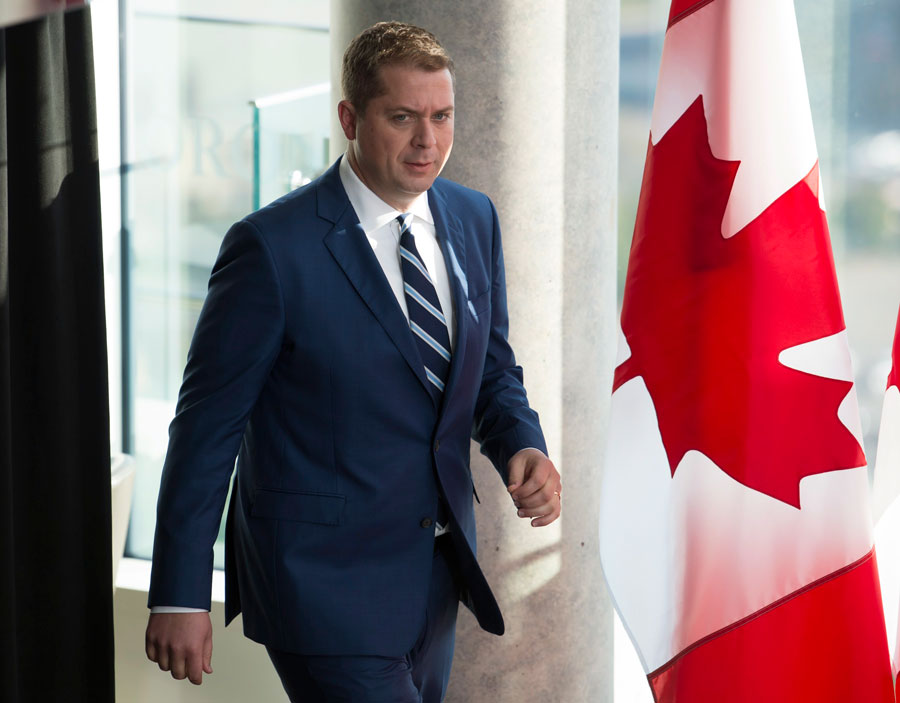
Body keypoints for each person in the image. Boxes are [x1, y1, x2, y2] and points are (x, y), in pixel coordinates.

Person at [144, 21, 561, 703]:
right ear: (350, 117)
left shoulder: (473, 217)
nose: (428, 140)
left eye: (442, 116)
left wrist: (521, 441)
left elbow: (490, 370)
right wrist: (178, 593)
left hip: (433, 578)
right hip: (321, 585)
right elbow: (205, 431)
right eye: (402, 117)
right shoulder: (271, 250)